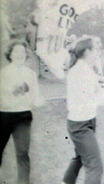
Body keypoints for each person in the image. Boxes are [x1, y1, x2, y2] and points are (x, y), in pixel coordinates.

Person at [62, 37, 104, 184]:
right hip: (80, 124)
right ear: (87, 51)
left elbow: (97, 88)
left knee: (80, 157)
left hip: (86, 120)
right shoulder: (80, 72)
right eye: (95, 49)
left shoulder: (85, 69)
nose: (98, 53)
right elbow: (96, 100)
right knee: (95, 166)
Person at [0, 40, 43, 184]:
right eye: (16, 52)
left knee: (22, 153)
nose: (20, 55)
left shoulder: (30, 74)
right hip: (4, 115)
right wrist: (16, 91)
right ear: (10, 55)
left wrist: (37, 100)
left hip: (23, 116)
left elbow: (35, 97)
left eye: (23, 52)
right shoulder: (3, 73)